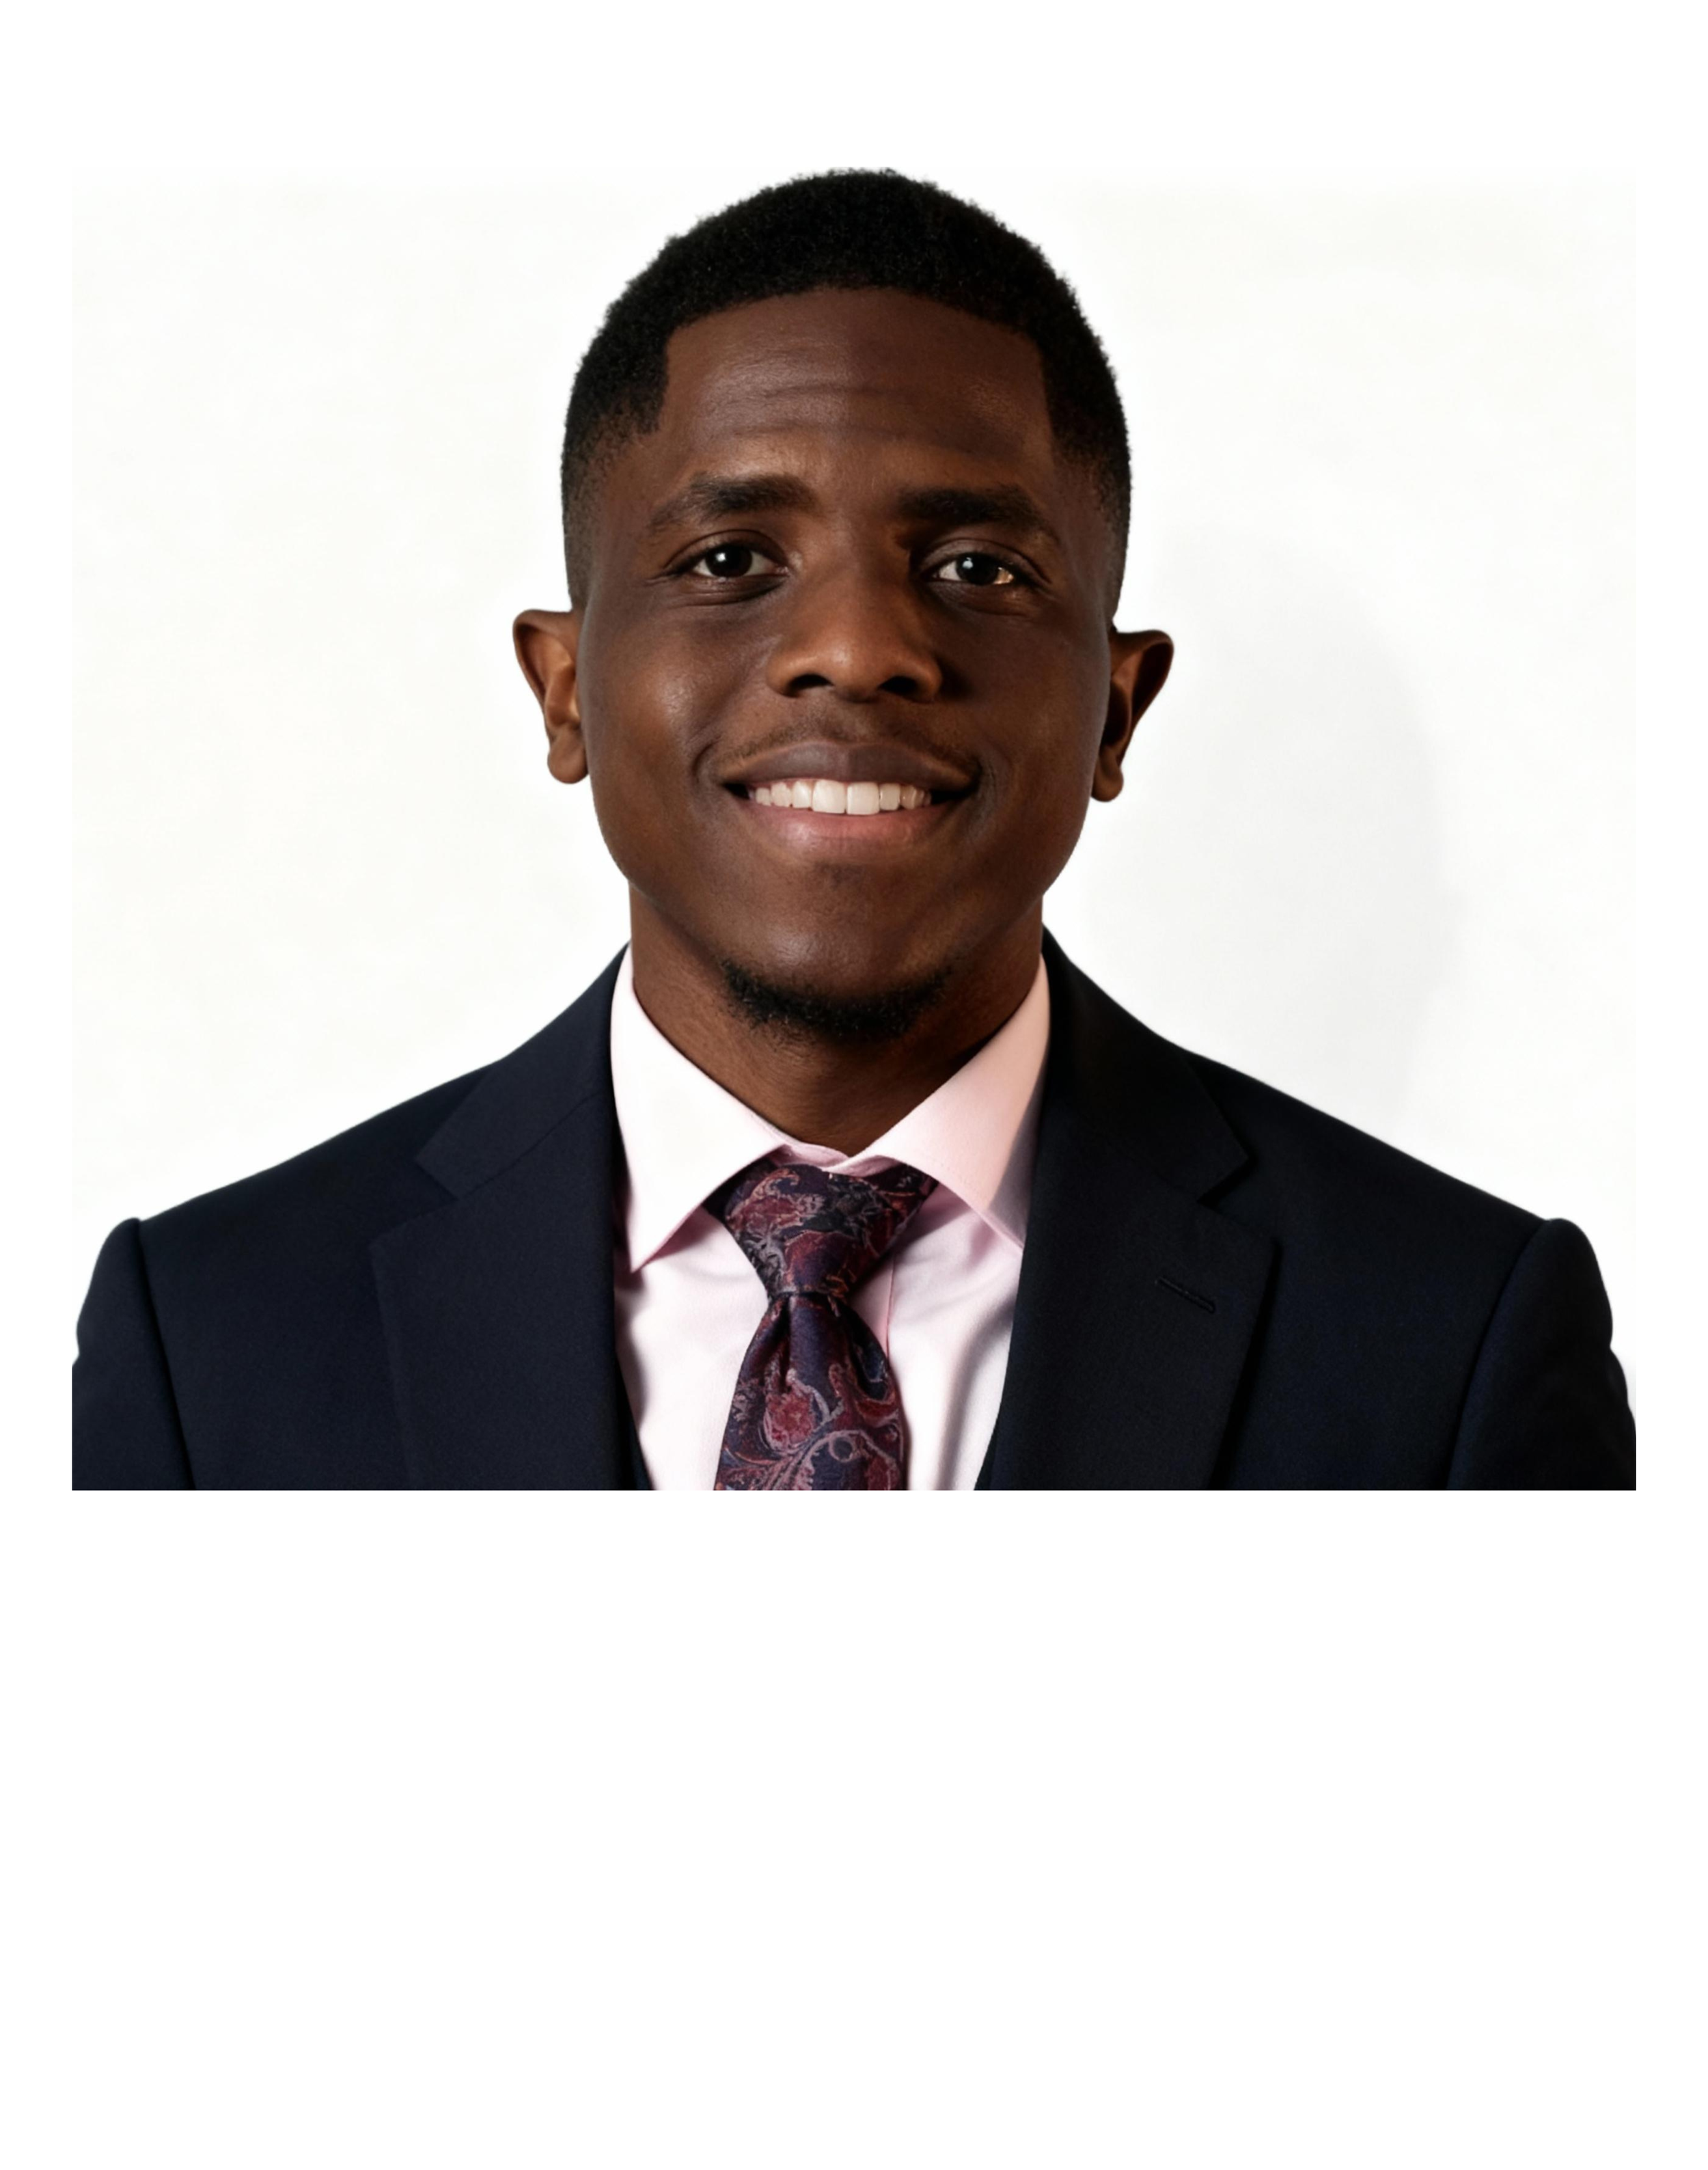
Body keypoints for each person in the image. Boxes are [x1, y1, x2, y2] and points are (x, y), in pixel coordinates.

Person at [71, 171, 1636, 1490]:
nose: (859, 648)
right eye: (731, 555)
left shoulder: (1453, 1345)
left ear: (1113, 711)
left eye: (975, 569)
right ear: (563, 693)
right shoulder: (209, 1344)